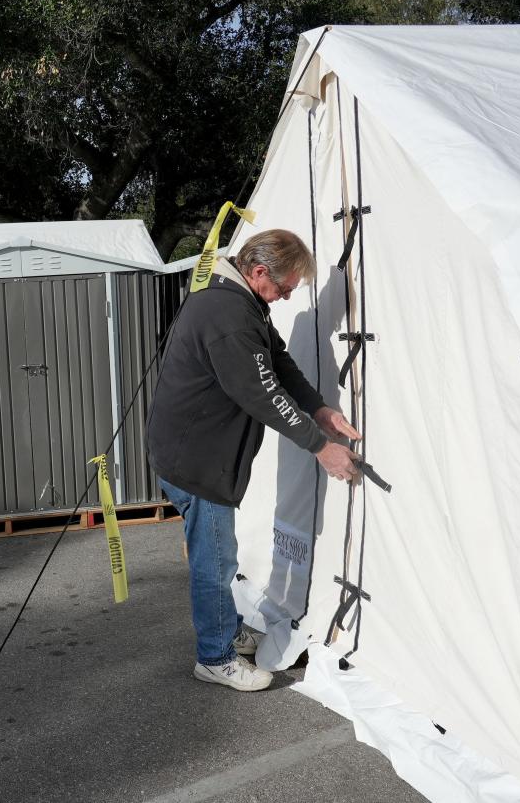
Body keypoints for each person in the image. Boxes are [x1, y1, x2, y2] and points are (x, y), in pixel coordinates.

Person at [147, 228, 361, 692]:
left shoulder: (241, 300)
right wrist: (321, 447)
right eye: (283, 288)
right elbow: (261, 393)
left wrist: (319, 408)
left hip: (195, 450)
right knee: (216, 560)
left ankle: (220, 627)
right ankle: (214, 656)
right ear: (259, 271)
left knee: (217, 556)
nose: (284, 298)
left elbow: (278, 363)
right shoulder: (228, 315)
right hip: (197, 459)